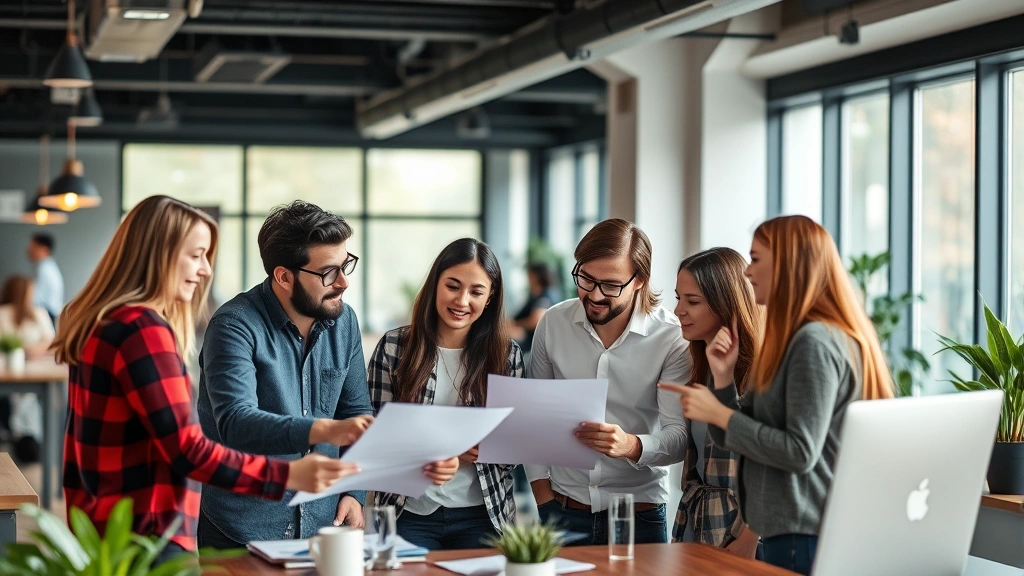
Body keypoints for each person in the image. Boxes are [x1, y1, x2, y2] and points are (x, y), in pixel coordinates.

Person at [53, 195, 359, 564]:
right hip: (147, 531)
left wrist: (352, 490)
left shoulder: (106, 324)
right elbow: (190, 449)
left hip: (111, 527)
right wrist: (291, 471)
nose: (204, 271)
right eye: (196, 255)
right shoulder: (144, 331)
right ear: (160, 255)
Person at [196, 200, 458, 548]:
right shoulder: (234, 326)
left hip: (325, 525)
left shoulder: (342, 321)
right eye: (328, 272)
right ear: (284, 277)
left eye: (345, 264)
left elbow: (355, 413)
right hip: (243, 527)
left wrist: (352, 491)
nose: (344, 282)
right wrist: (325, 429)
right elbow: (236, 422)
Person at [660, 215, 894, 575]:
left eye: (755, 260)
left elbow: (800, 451)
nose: (748, 272)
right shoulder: (800, 341)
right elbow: (738, 441)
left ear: (787, 265)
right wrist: (722, 380)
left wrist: (720, 412)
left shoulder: (813, 343)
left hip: (799, 533)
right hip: (792, 531)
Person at [527, 218, 691, 545]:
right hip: (561, 510)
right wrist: (543, 497)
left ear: (639, 281)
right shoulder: (553, 323)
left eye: (611, 285)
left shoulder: (671, 337)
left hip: (639, 517)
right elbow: (533, 418)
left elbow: (680, 438)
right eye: (586, 279)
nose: (595, 295)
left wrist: (630, 445)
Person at [368, 238, 525, 550]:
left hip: (484, 514)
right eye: (452, 286)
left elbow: (516, 450)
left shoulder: (508, 356)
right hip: (407, 511)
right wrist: (437, 451)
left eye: (476, 292)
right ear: (435, 284)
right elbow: (373, 440)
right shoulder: (394, 348)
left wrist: (487, 449)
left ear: (490, 296)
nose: (462, 300)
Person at [668, 248, 763, 558]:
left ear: (726, 304)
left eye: (692, 301)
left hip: (740, 538)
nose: (678, 310)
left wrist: (749, 541)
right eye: (678, 297)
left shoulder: (759, 377)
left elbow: (776, 471)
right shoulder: (699, 368)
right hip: (696, 528)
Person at [0, 276, 55, 461]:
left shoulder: (37, 313)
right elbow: (50, 341)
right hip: (21, 371)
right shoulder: (8, 313)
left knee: (24, 399)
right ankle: (28, 438)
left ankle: (23, 437)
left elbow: (51, 342)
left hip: (20, 370)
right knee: (26, 399)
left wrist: (23, 350)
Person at [507, 262, 561, 355]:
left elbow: (535, 320)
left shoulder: (547, 295)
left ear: (536, 276)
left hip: (530, 341)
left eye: (530, 274)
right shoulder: (534, 295)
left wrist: (516, 325)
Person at [26, 233, 64, 325]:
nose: (28, 249)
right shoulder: (46, 267)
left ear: (44, 249)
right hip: (48, 313)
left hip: (46, 314)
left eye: (33, 246)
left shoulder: (44, 269)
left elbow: (35, 297)